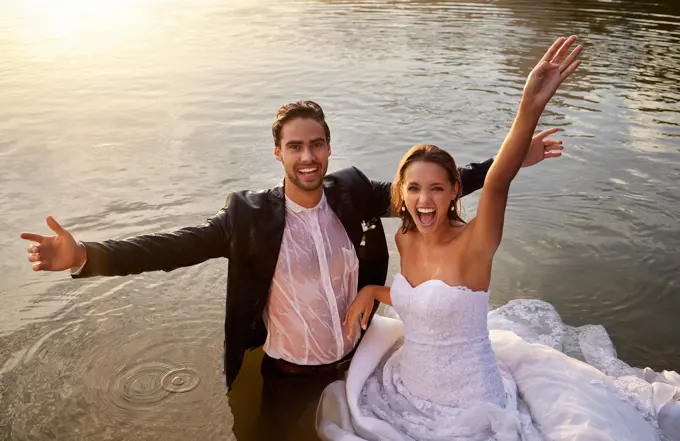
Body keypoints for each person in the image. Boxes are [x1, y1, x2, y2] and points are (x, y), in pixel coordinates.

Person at [20, 100, 563, 439]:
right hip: (289, 377)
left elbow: (429, 190)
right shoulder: (248, 217)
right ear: (278, 152)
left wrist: (510, 162)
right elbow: (171, 248)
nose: (308, 157)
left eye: (317, 144)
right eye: (295, 147)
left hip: (359, 365)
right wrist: (86, 255)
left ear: (329, 149)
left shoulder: (351, 194)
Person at [318, 35, 680, 441]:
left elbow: (496, 182)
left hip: (472, 408)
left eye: (437, 188)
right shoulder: (405, 238)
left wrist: (530, 104)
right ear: (401, 191)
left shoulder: (476, 243)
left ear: (455, 190)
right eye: (415, 188)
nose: (424, 199)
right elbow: (419, 300)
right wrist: (372, 290)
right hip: (405, 389)